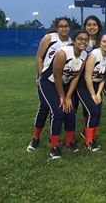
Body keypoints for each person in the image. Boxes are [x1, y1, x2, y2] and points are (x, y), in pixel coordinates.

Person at [38, 30, 88, 159]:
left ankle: (69, 142)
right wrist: (62, 97)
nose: (83, 41)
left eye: (86, 39)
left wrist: (68, 96)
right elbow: (57, 76)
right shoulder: (63, 52)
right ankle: (54, 147)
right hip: (49, 82)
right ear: (74, 40)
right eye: (80, 39)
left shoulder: (84, 54)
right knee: (59, 110)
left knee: (70, 110)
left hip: (65, 83)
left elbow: (76, 77)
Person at [27, 17, 72, 152]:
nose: (64, 28)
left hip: (62, 81)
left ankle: (54, 137)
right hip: (46, 79)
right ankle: (35, 138)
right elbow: (39, 56)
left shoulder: (72, 43)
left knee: (59, 109)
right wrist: (40, 75)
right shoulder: (49, 38)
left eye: (66, 26)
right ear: (57, 28)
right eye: (61, 26)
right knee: (44, 107)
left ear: (69, 28)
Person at [76, 33, 106, 151]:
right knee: (93, 111)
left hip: (97, 86)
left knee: (98, 112)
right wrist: (93, 94)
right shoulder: (94, 55)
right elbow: (87, 77)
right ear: (100, 43)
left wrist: (98, 93)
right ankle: (88, 142)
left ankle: (90, 136)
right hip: (84, 86)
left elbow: (104, 78)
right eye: (104, 41)